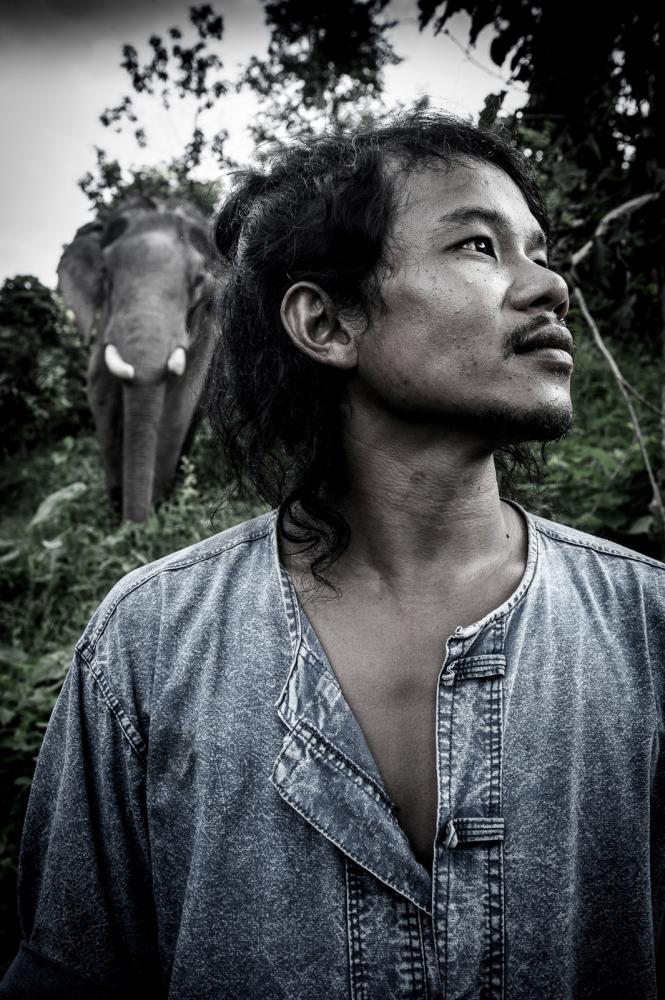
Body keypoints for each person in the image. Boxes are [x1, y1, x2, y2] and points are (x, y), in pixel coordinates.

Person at [1, 109, 664, 1000]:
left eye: (538, 249)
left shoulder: (648, 629)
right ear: (326, 323)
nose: (548, 285)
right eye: (477, 245)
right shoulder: (147, 644)